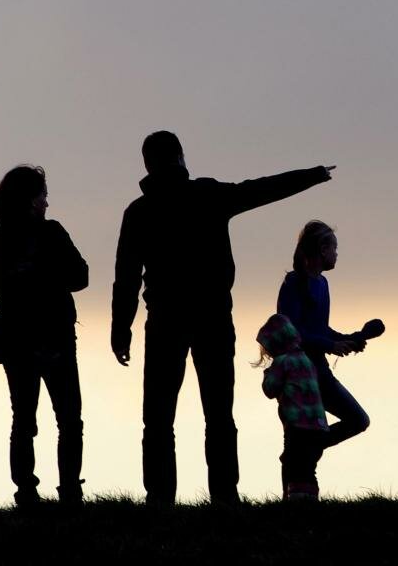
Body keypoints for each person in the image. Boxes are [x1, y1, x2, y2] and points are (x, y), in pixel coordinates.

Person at [111, 130, 334, 505]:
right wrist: (311, 175)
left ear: (147, 165)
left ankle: (160, 499)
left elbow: (127, 276)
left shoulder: (139, 212)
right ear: (181, 157)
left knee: (158, 416)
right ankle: (225, 496)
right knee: (219, 413)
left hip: (165, 319)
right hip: (213, 316)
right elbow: (261, 190)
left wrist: (121, 329)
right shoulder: (208, 194)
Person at [0, 164, 88, 508]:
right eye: (43, 195)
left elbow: (5, 285)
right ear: (31, 200)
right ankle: (70, 492)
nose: (46, 202)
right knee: (69, 418)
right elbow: (80, 277)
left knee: (23, 419)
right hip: (55, 334)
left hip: (14, 338)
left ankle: (25, 493)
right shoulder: (52, 233)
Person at [276, 221, 381, 494]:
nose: (337, 254)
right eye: (334, 248)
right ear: (322, 250)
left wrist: (346, 339)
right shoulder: (293, 284)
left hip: (320, 371)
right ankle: (294, 499)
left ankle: (308, 452)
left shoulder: (322, 284)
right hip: (298, 376)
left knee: (358, 420)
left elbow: (320, 328)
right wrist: (330, 344)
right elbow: (293, 331)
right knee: (295, 442)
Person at [256, 314, 328, 501]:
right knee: (307, 468)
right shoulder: (306, 360)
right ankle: (309, 499)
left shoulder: (282, 362)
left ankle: (294, 501)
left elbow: (270, 389)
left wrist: (267, 373)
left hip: (297, 427)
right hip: (318, 426)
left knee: (293, 464)